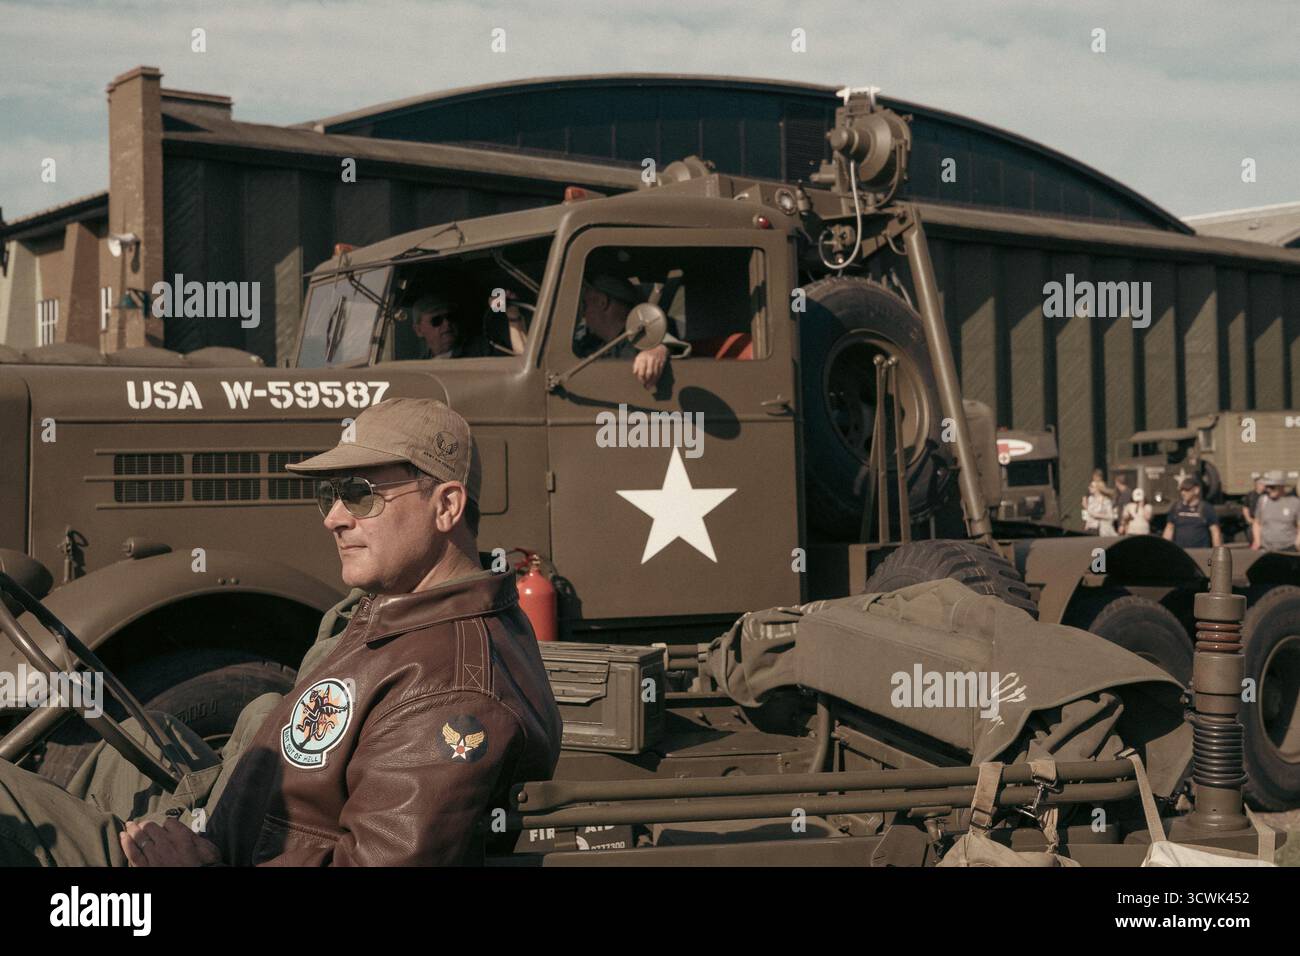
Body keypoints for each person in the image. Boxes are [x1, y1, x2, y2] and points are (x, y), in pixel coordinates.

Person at [0, 398, 564, 866]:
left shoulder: (451, 692)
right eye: (330, 494)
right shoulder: (398, 610)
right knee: (131, 741)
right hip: (220, 830)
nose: (334, 517)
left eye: (361, 493)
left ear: (446, 506)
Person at [573, 274, 689, 388]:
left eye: (585, 305)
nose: (584, 314)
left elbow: (675, 345)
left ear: (602, 302)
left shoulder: (640, 341)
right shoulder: (590, 342)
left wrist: (659, 348)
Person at [1162, 477, 1222, 549]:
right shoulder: (1176, 507)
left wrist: (1217, 552)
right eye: (1182, 490)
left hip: (1200, 553)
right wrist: (1163, 549)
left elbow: (1215, 532)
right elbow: (1169, 529)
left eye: (1187, 490)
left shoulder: (1206, 508)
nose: (1183, 493)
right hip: (1181, 553)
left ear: (1196, 490)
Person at [1251, 470, 1300, 553]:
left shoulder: (1295, 502)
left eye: (1272, 487)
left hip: (1289, 549)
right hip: (1267, 549)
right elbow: (1256, 523)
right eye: (1267, 486)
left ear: (1281, 487)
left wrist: (1297, 543)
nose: (1268, 489)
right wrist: (1257, 541)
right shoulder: (1263, 501)